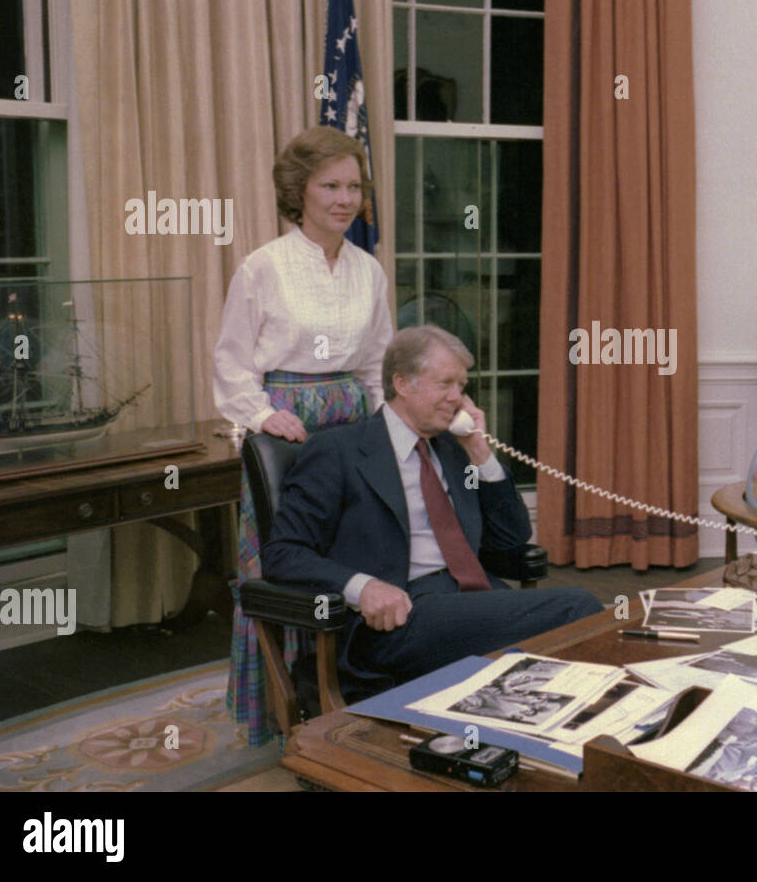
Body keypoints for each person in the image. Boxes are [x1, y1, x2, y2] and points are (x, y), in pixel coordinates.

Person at [261, 325, 603, 690]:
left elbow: (510, 539)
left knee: (557, 652)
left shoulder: (455, 451)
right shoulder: (339, 451)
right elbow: (283, 553)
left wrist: (480, 451)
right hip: (401, 615)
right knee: (576, 608)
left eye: (462, 386)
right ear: (403, 384)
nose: (458, 398)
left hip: (471, 600)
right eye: (445, 384)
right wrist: (364, 588)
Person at [214, 125, 393, 746]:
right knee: (288, 562)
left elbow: (376, 363)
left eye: (353, 186)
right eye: (330, 186)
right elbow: (233, 360)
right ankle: (281, 704)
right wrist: (263, 417)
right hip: (287, 431)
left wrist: (383, 428)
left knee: (360, 554)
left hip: (352, 419)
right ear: (300, 191)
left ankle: (353, 687)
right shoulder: (261, 267)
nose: (345, 199)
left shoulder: (370, 271)